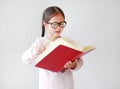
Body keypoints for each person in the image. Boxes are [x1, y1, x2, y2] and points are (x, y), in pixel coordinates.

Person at [22, 6, 83, 89]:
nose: (59, 27)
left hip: (67, 86)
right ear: (45, 24)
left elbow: (80, 61)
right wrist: (35, 51)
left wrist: (73, 65)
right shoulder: (40, 42)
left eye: (61, 23)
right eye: (55, 24)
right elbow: (25, 59)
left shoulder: (66, 42)